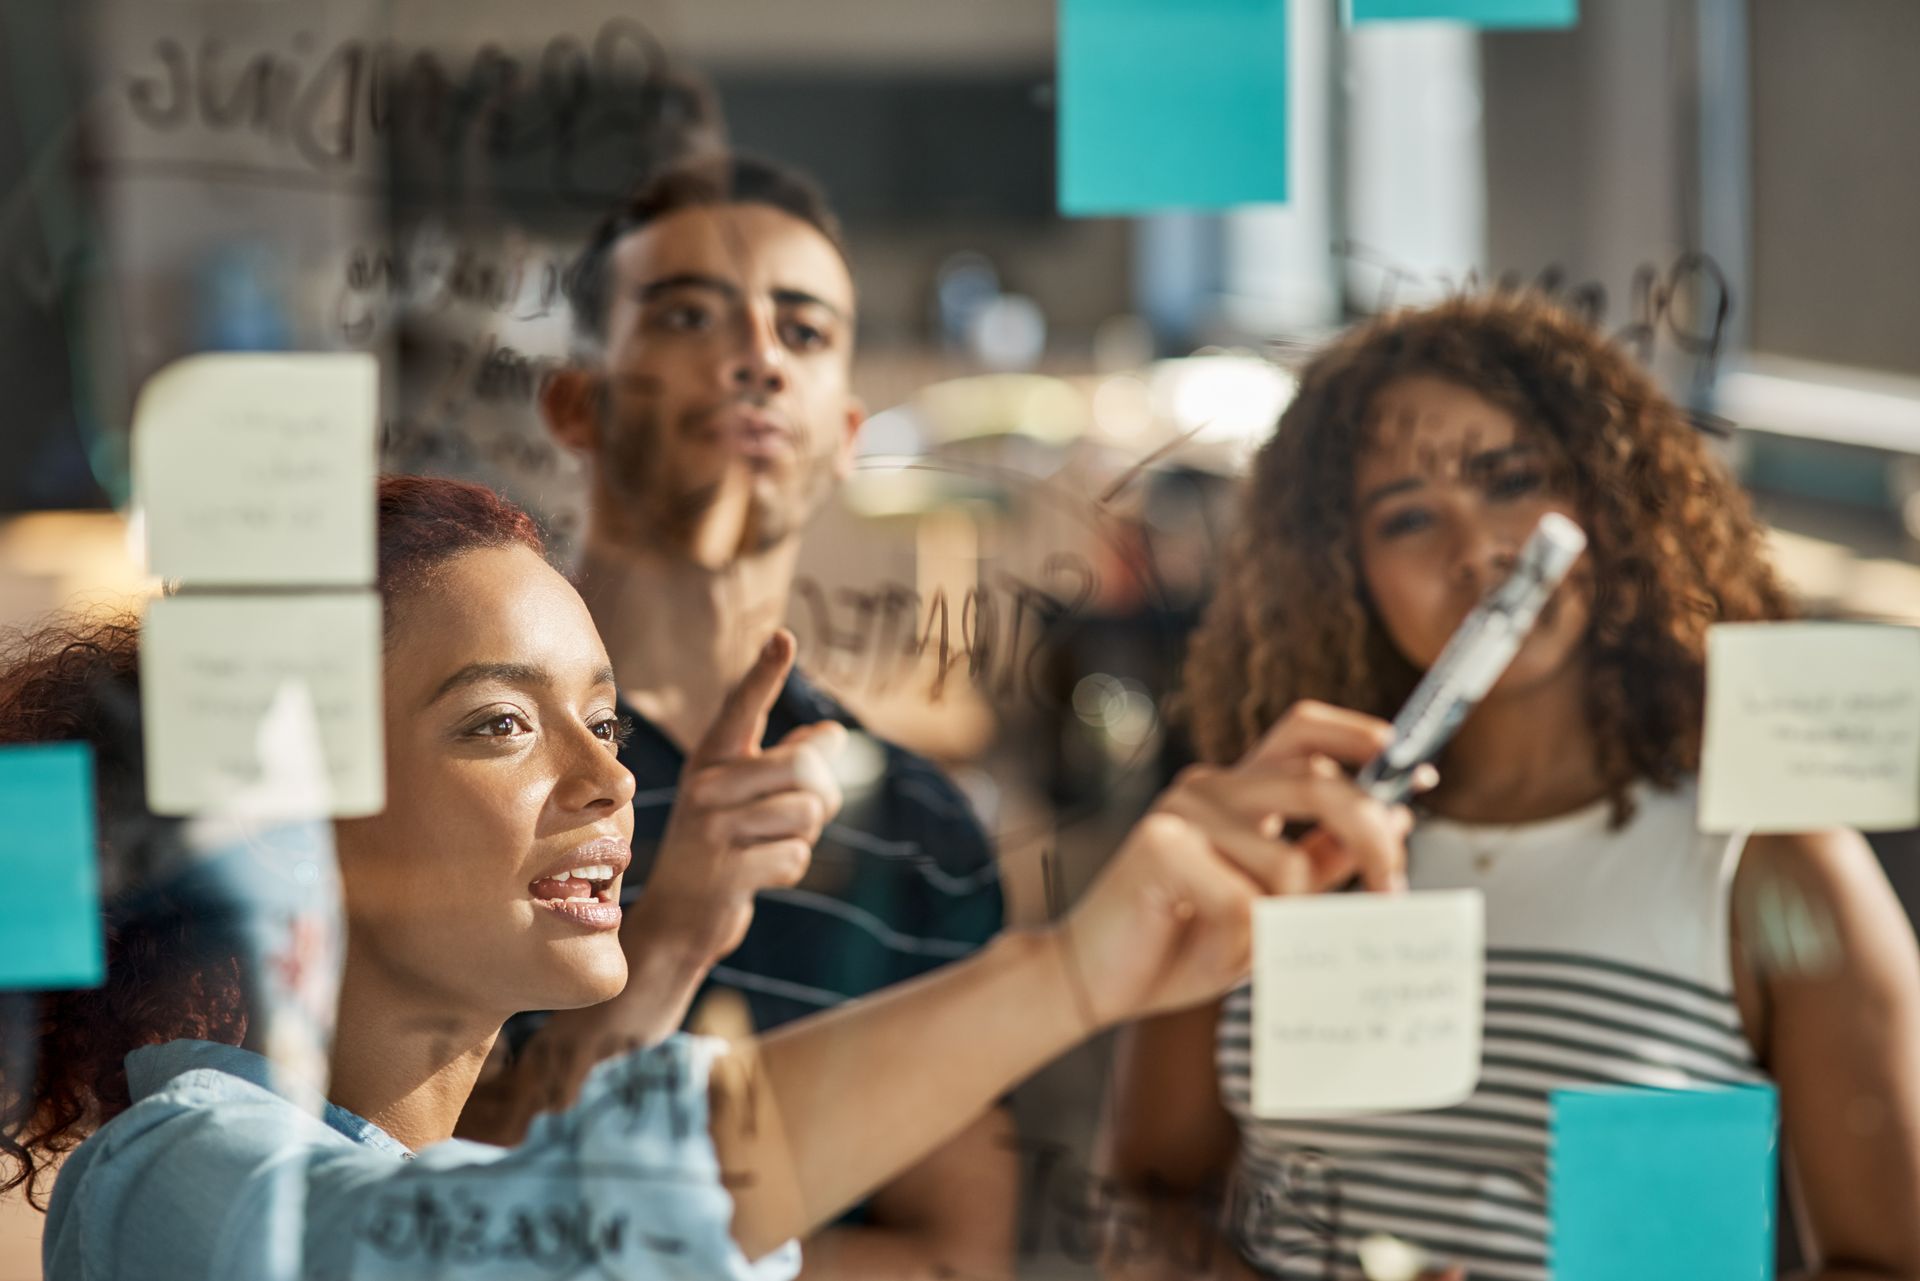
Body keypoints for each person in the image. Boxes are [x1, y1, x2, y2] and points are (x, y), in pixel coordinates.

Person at [1, 474, 1415, 1281]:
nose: (612, 780)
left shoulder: (465, 1167)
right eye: (500, 724)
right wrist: (1066, 970)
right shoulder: (170, 1182)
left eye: (603, 723)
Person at [1104, 292, 1920, 1281]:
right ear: (1342, 571)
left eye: (1512, 481)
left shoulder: (1767, 860)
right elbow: (1139, 1200)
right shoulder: (1277, 845)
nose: (1480, 551)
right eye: (1408, 517)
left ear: (1609, 503)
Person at [489, 152, 1012, 1276]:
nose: (759, 360)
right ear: (578, 399)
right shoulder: (459, 747)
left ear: (846, 434)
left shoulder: (918, 832)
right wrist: (670, 930)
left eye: (805, 332)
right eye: (688, 316)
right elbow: (389, 1182)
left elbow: (959, 1254)